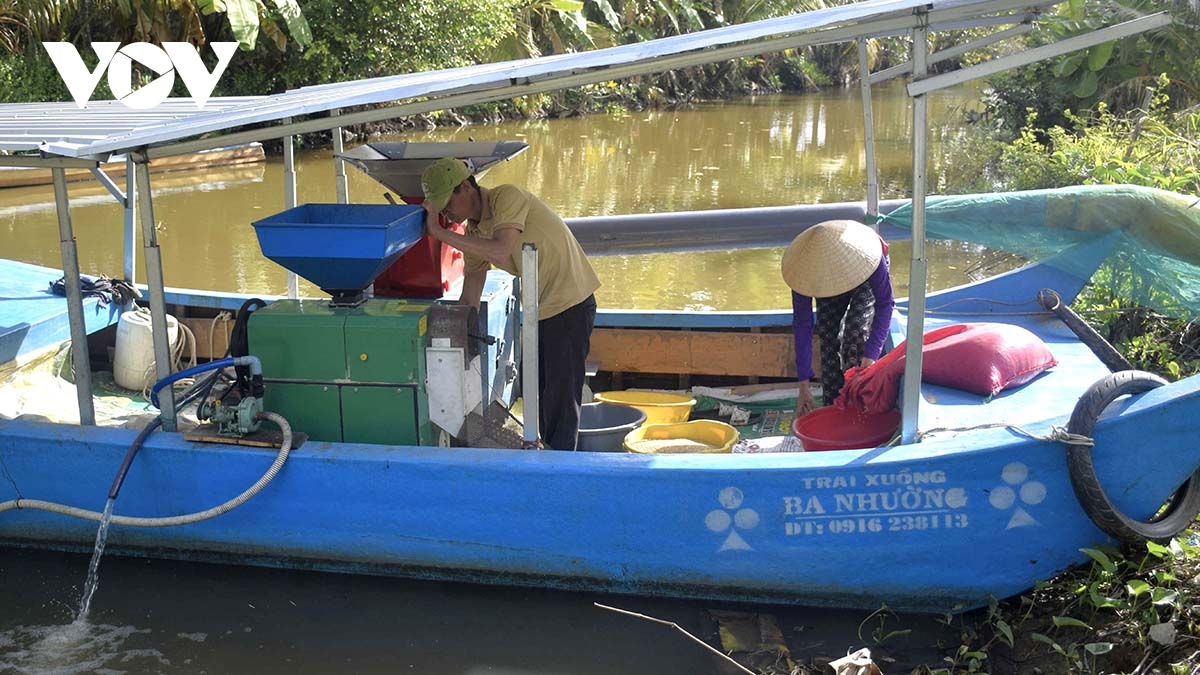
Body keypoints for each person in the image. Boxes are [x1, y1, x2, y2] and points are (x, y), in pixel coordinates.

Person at [420, 157, 600, 450]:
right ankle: (549, 458)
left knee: (561, 400)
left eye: (447, 204)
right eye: (440, 210)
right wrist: (457, 338)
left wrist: (440, 233)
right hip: (539, 310)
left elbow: (502, 249)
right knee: (539, 392)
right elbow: (471, 294)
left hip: (571, 302)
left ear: (465, 187)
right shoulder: (473, 232)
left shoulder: (507, 196)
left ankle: (561, 466)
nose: (446, 213)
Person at [781, 219, 895, 415]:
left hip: (862, 270)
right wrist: (804, 384)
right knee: (827, 333)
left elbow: (885, 304)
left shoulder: (871, 257)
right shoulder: (803, 271)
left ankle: (861, 401)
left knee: (855, 331)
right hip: (823, 279)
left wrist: (870, 356)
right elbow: (802, 324)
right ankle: (833, 407)